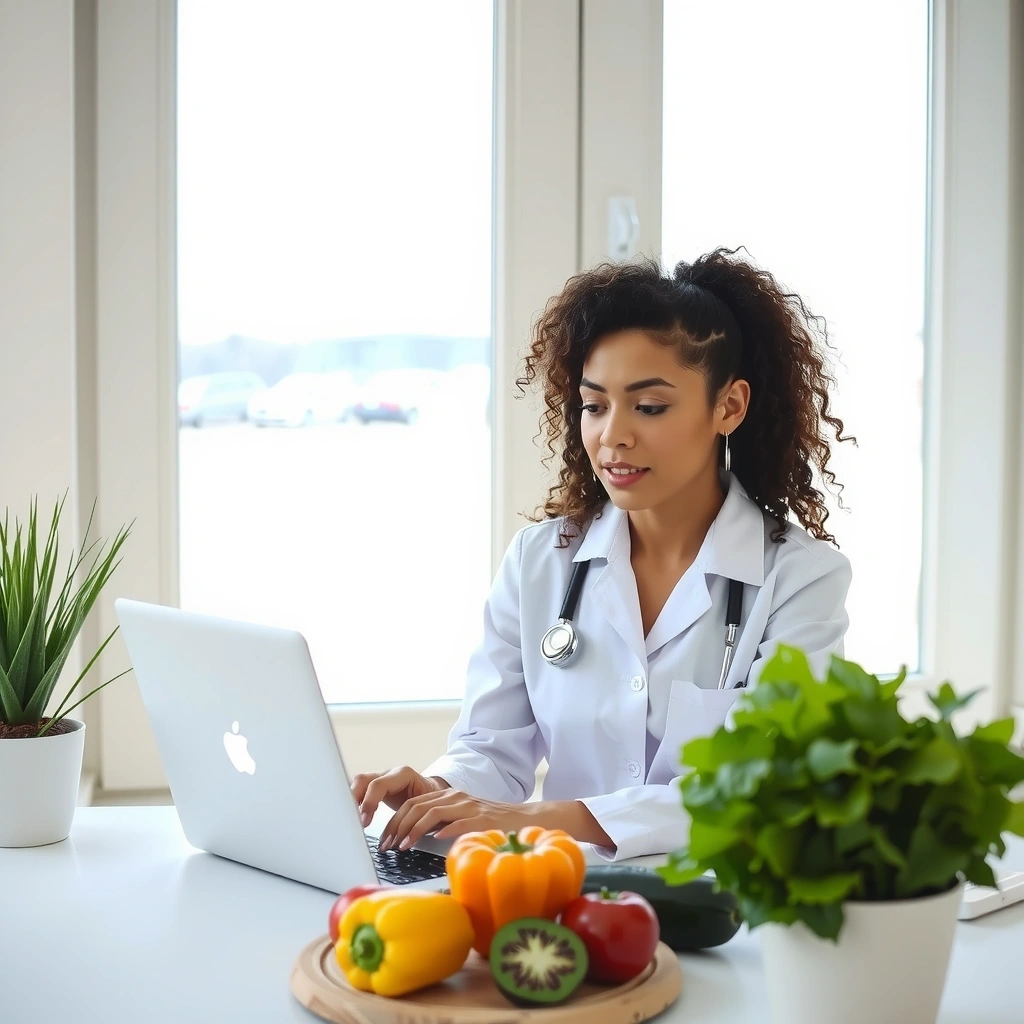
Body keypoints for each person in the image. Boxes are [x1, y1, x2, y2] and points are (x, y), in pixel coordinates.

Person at [352, 247, 855, 862]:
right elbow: (492, 748)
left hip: (719, 907)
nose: (612, 434)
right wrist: (440, 793)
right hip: (561, 896)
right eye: (594, 405)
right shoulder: (541, 561)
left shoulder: (801, 580)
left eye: (649, 406)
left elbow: (757, 790)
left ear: (729, 407)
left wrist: (527, 818)